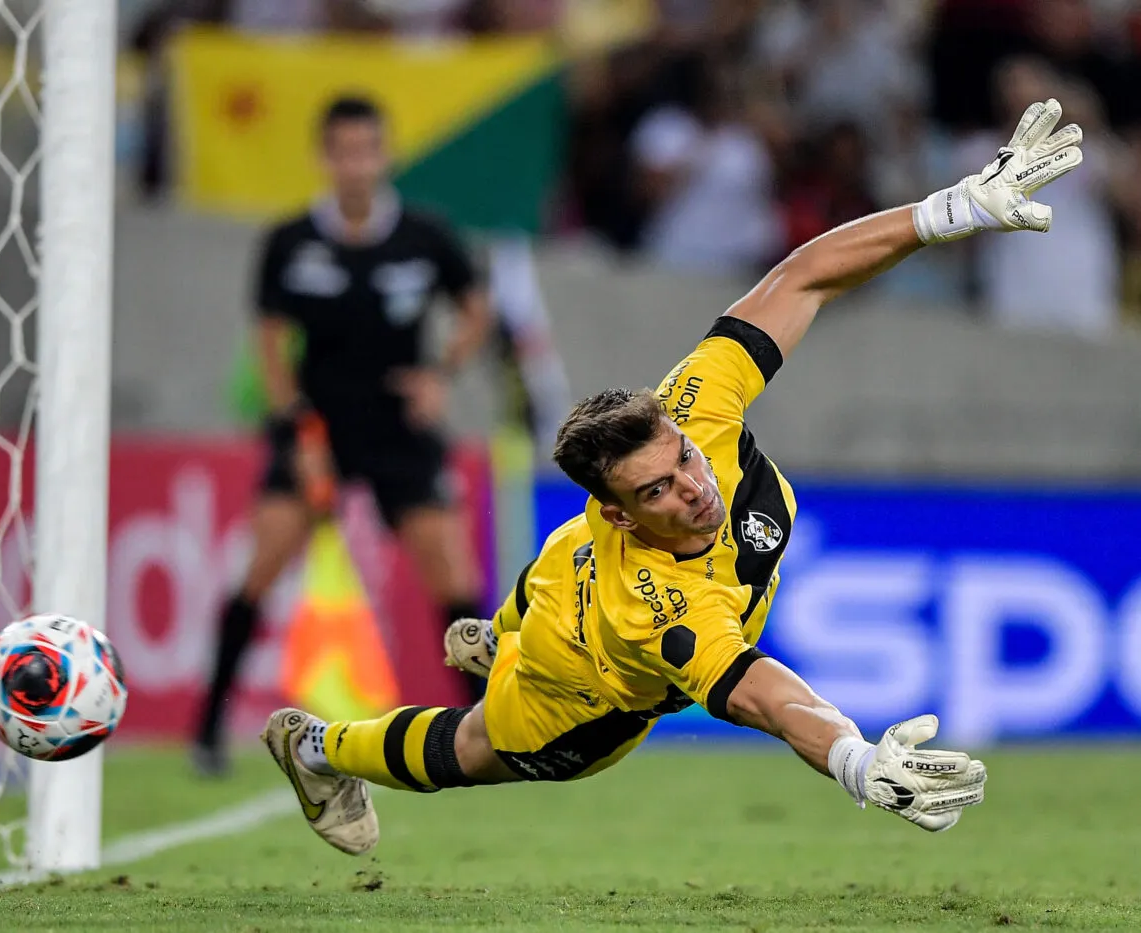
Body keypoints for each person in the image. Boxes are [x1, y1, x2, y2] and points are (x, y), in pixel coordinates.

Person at [259, 98, 1085, 855]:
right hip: (575, 690)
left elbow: (805, 276)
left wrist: (956, 209)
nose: (691, 486)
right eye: (655, 490)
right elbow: (762, 693)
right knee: (474, 745)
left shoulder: (693, 403)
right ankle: (315, 747)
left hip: (562, 564)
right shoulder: (660, 611)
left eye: (682, 458)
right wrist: (855, 759)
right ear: (623, 515)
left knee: (548, 569)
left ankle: (494, 632)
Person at [192, 95, 492, 775]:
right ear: (324, 158)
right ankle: (208, 730)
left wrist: (440, 371)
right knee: (261, 567)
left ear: (384, 155)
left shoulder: (426, 236)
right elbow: (269, 346)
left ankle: (493, 727)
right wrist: (297, 427)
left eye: (368, 151)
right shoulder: (290, 241)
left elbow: (476, 308)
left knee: (450, 570)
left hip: (397, 428)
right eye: (343, 152)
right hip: (316, 427)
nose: (356, 166)